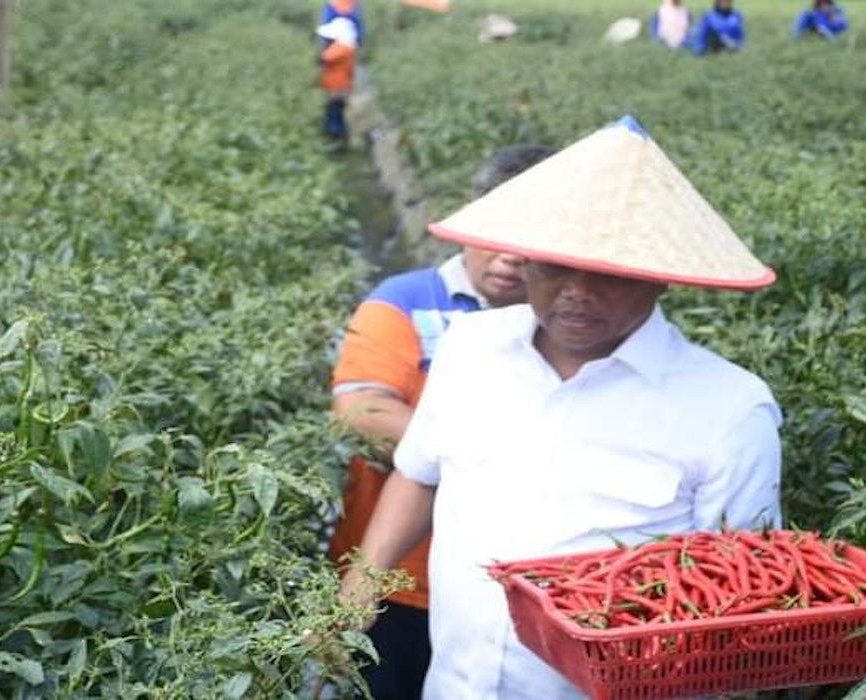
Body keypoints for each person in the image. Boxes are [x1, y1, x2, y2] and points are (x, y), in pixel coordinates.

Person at [340, 115, 782, 698]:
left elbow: (737, 596)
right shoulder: (472, 349)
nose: (576, 290)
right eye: (553, 265)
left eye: (605, 272)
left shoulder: (729, 408)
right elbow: (420, 475)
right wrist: (358, 588)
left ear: (661, 278)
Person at [329, 144, 558, 699]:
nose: (509, 258)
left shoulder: (572, 330)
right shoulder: (404, 301)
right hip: (402, 583)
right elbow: (362, 410)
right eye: (496, 236)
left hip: (522, 594)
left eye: (528, 243)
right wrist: (491, 458)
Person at [317, 18, 358, 142]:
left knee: (335, 111)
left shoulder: (342, 47)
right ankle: (338, 136)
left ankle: (335, 137)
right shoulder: (347, 46)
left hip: (337, 86)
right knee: (337, 110)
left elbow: (324, 58)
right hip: (341, 84)